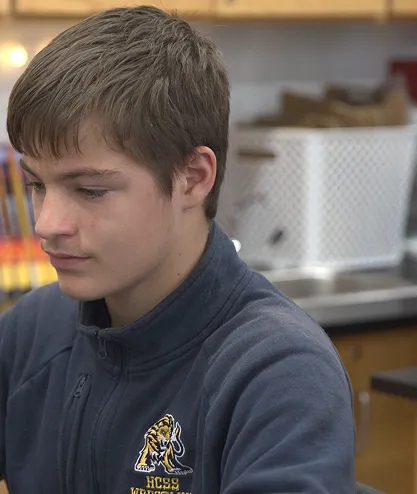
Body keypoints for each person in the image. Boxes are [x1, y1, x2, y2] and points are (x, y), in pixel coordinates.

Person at [0, 6, 355, 493]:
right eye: (38, 185)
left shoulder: (279, 372)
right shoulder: (33, 332)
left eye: (90, 190)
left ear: (193, 178)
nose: (47, 224)